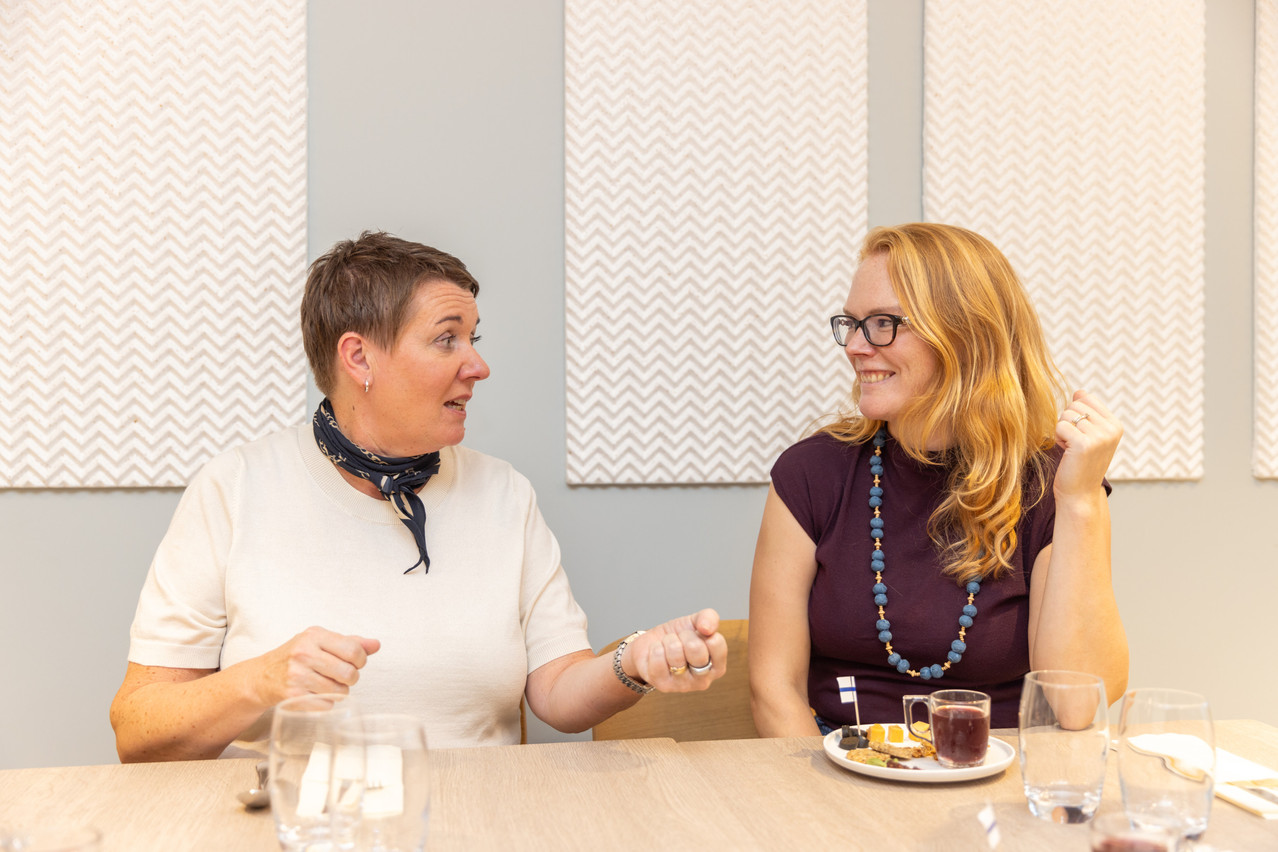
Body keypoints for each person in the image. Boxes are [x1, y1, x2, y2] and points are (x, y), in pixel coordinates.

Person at [110, 231, 727, 761]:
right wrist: (258, 682)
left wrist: (635, 662)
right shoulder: (232, 489)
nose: (477, 366)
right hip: (294, 829)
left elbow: (558, 695)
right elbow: (137, 729)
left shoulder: (504, 494)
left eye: (474, 338)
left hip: (475, 827)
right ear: (359, 358)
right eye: (446, 339)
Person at [748, 222, 1128, 735]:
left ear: (965, 336)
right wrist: (826, 807)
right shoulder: (810, 474)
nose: (856, 347)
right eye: (852, 323)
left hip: (997, 779)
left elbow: (1077, 706)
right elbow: (775, 691)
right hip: (840, 775)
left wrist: (1080, 500)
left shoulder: (1053, 483)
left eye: (883, 323)